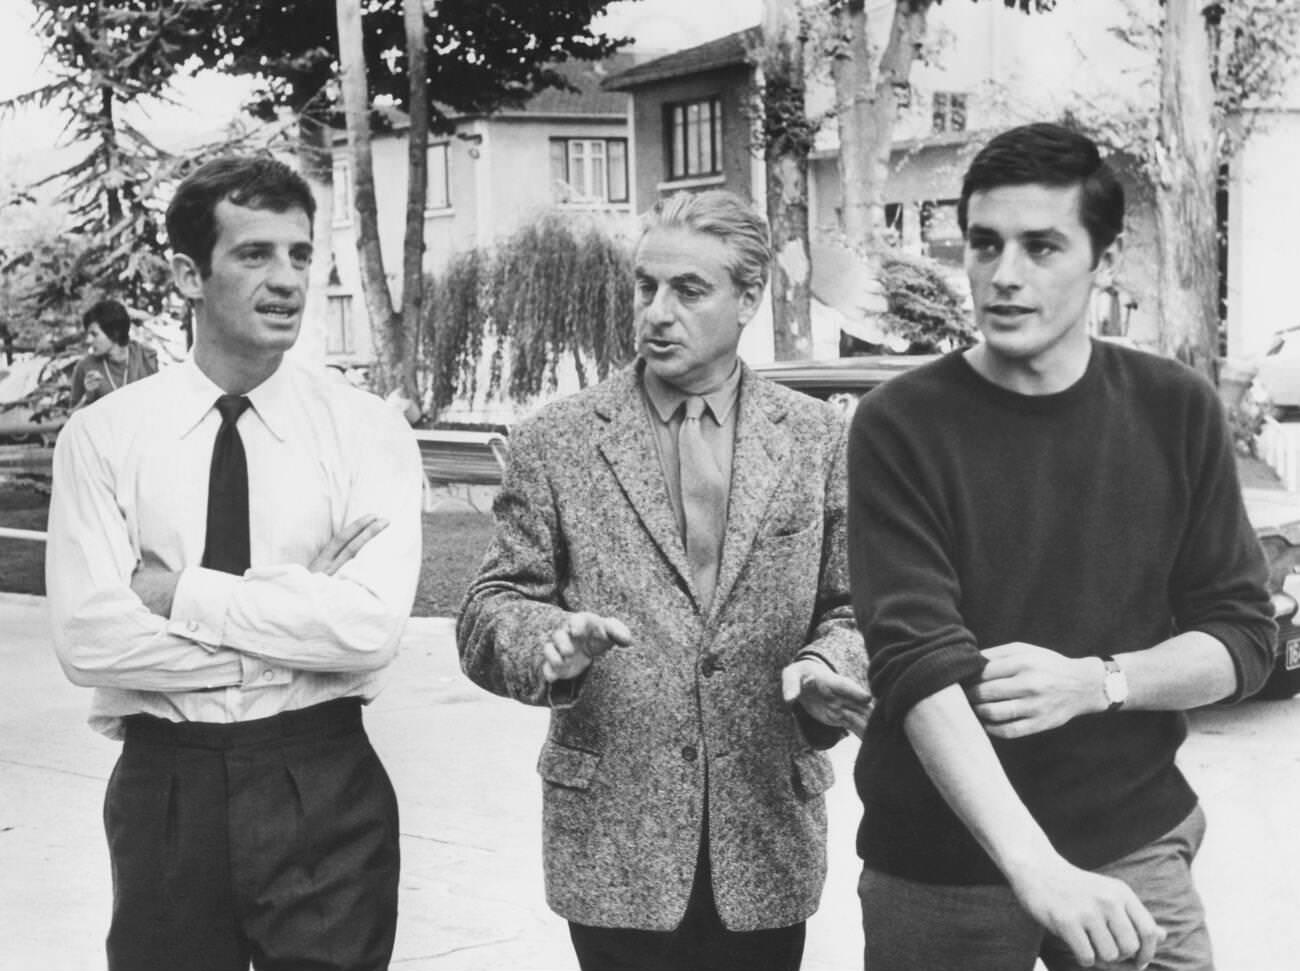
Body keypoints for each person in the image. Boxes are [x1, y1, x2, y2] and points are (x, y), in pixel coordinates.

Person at [846, 122, 1276, 971]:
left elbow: (1243, 639)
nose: (1004, 274)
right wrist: (1037, 869)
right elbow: (917, 666)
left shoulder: (1176, 407)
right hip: (939, 864)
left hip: (1130, 840)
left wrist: (1096, 682)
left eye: (1041, 247)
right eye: (984, 244)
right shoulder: (900, 424)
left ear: (1102, 261)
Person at [458, 188, 871, 971]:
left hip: (765, 832)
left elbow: (854, 605)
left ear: (748, 298)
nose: (656, 312)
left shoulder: (819, 439)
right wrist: (547, 639)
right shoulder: (556, 440)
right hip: (614, 842)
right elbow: (489, 608)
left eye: (688, 290)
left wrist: (826, 665)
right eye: (645, 286)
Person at [45, 155, 423, 971]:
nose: (286, 278)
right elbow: (88, 641)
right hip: (166, 789)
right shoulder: (103, 439)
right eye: (255, 253)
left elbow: (368, 630)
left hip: (322, 781)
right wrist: (301, 615)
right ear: (190, 274)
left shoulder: (367, 433)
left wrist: (179, 593)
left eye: (299, 253)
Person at [69, 298, 159, 409]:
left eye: (94, 334)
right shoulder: (84, 367)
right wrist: (87, 397)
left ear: (114, 333)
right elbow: (72, 416)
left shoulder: (146, 356)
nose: (88, 340)